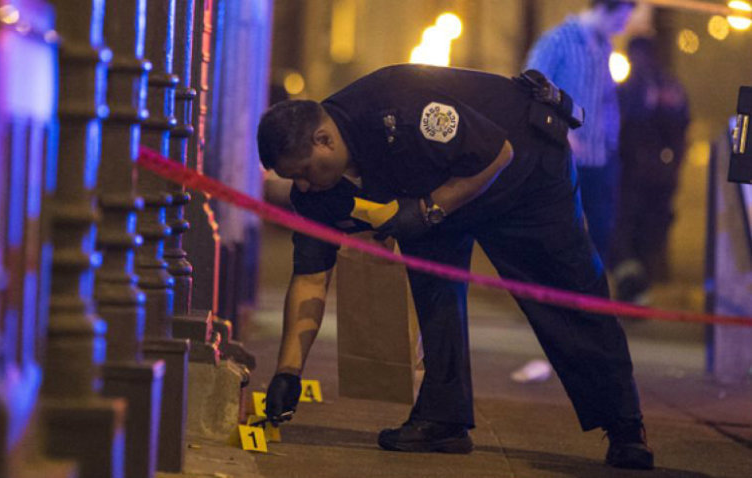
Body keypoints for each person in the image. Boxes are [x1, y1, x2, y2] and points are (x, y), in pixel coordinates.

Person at [256, 63, 653, 470]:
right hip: (435, 191)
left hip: (523, 170)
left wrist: (429, 211)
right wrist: (288, 372)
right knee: (433, 290)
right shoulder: (316, 194)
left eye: (303, 172)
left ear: (323, 139)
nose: (302, 187)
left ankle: (624, 424)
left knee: (566, 293)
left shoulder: (399, 104)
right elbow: (309, 278)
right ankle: (443, 418)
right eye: (292, 179)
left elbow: (497, 154)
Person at [525, 0, 636, 261]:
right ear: (603, 8)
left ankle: (587, 298)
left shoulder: (603, 46)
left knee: (598, 236)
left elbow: (606, 100)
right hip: (565, 159)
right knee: (561, 237)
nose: (622, 28)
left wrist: (611, 144)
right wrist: (563, 134)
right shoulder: (557, 41)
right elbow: (529, 87)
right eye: (619, 19)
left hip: (599, 161)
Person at [611, 37, 690, 303]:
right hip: (651, 176)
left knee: (631, 232)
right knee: (639, 233)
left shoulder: (641, 87)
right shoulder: (669, 87)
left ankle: (634, 290)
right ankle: (634, 290)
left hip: (638, 175)